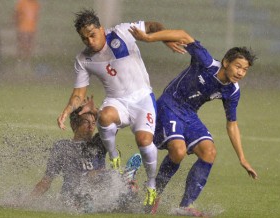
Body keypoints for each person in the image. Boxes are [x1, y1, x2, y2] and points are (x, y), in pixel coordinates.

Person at [57, 9, 184, 208]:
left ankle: (151, 184)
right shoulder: (83, 59)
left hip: (142, 98)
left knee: (143, 140)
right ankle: (114, 158)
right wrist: (67, 110)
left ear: (101, 29)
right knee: (105, 116)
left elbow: (153, 26)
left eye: (92, 35)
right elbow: (79, 94)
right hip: (116, 100)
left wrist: (164, 39)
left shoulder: (121, 32)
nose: (90, 41)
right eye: (84, 38)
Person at [129, 27, 258, 216]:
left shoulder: (232, 91)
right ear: (226, 62)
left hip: (189, 114)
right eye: (238, 66)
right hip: (169, 105)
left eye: (245, 70)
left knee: (209, 152)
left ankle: (185, 206)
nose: (240, 72)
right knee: (178, 151)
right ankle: (154, 193)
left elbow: (232, 124)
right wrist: (149, 38)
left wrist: (242, 158)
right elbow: (183, 34)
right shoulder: (206, 63)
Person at [29, 102, 142, 213]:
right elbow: (46, 181)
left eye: (94, 122)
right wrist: (28, 201)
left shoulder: (99, 142)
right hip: (72, 193)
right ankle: (123, 180)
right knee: (91, 176)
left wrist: (96, 112)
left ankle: (127, 185)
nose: (91, 126)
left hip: (98, 192)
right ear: (74, 124)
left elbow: (113, 123)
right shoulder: (62, 147)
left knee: (126, 190)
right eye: (86, 122)